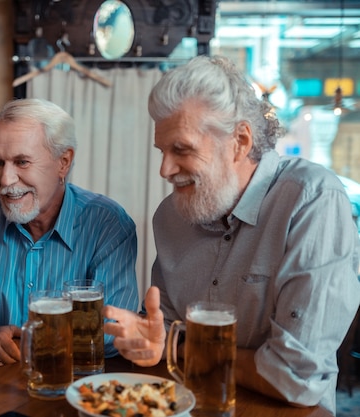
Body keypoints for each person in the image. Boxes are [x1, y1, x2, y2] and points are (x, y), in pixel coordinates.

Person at [103, 55, 360, 414]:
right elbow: (164, 339)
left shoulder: (312, 200)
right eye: (163, 151)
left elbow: (295, 380)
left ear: (240, 141)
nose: (164, 169)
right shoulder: (169, 217)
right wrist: (150, 343)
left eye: (182, 149)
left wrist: (186, 349)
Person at [0, 98, 139, 363]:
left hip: (76, 383)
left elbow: (113, 334)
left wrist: (30, 340)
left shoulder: (107, 224)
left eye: (22, 162)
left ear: (64, 162)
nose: (5, 180)